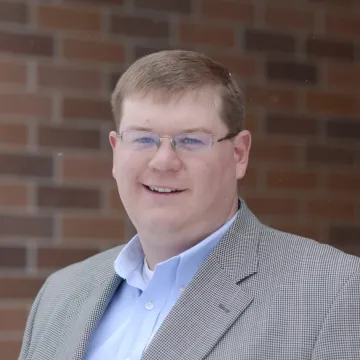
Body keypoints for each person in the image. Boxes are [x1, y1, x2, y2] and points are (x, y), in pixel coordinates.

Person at [19, 50, 360, 360]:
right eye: (143, 139)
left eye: (191, 140)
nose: (163, 161)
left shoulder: (333, 293)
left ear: (239, 154)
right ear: (115, 150)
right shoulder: (60, 294)